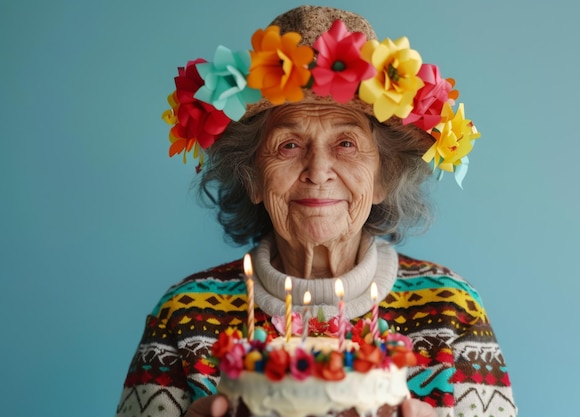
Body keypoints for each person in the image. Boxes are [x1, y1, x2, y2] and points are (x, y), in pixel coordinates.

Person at [116, 5, 517, 417]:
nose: (318, 172)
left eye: (346, 144)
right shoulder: (184, 315)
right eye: (289, 145)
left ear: (383, 176)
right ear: (253, 177)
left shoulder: (451, 309)